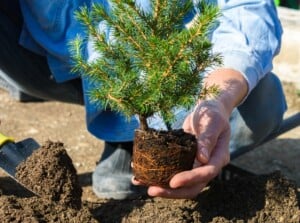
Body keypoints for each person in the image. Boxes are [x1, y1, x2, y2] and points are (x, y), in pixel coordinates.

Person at [0, 0, 287, 199]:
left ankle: (147, 143)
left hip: (174, 70)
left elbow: (244, 9)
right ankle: (126, 133)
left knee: (260, 100)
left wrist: (218, 100)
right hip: (53, 60)